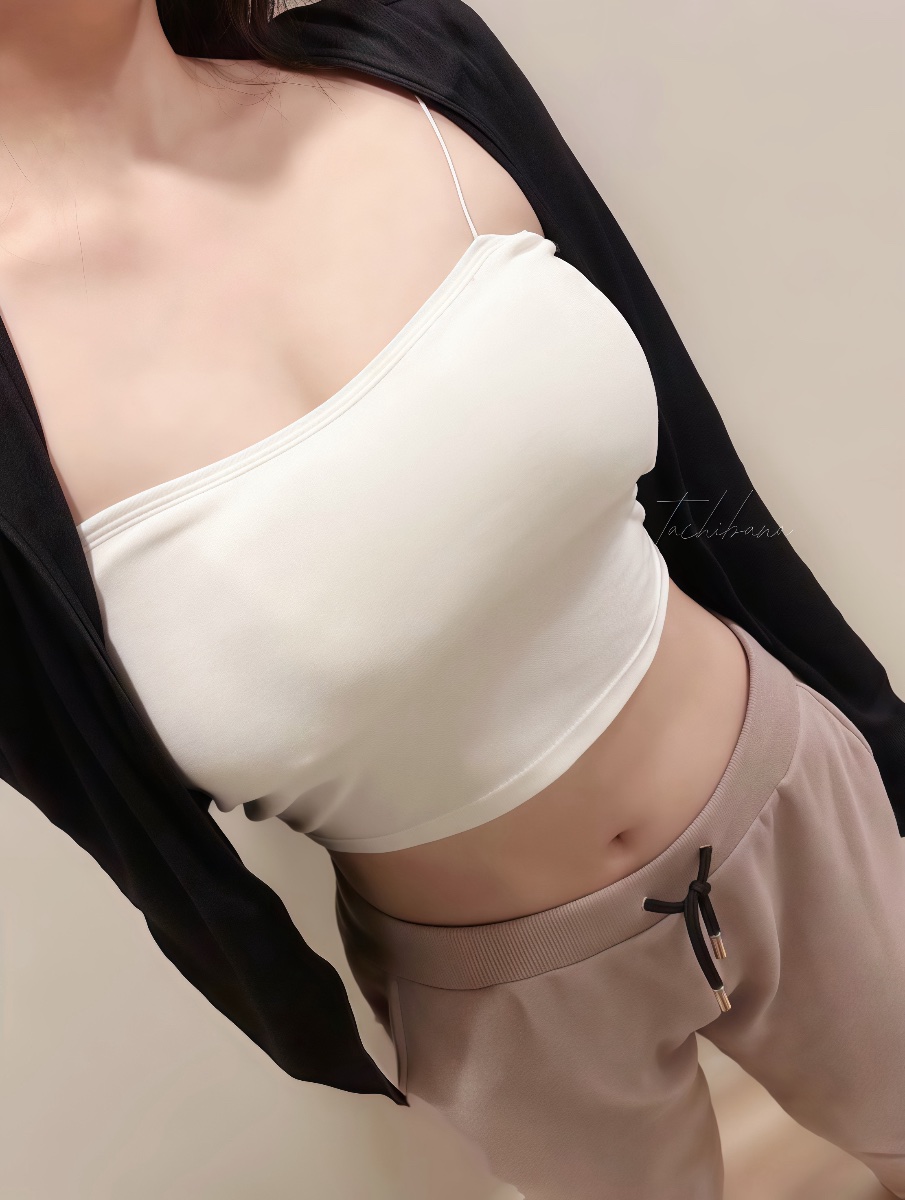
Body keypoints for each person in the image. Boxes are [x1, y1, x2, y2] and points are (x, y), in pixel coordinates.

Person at [1, 3, 902, 1197]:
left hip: (793, 799)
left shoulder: (412, 64)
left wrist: (868, 722)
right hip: (502, 1003)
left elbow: (693, 473)